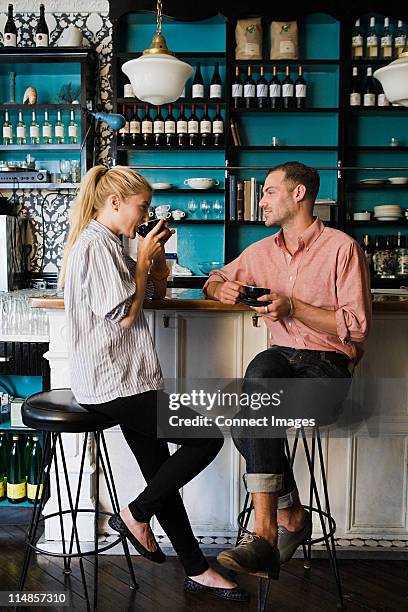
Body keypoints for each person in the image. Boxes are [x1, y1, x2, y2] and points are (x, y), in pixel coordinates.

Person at [58, 165, 248, 602]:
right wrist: (142, 261)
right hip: (116, 385)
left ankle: (197, 568)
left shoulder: (113, 243)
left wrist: (155, 263)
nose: (145, 214)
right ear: (115, 203)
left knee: (160, 474)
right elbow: (124, 315)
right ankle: (135, 514)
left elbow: (152, 297)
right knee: (206, 439)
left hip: (129, 380)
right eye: (141, 206)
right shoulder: (94, 246)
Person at [204, 161, 372, 579]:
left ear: (299, 194)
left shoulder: (341, 248)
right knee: (259, 375)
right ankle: (278, 521)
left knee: (247, 417)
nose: (260, 200)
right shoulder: (261, 251)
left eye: (269, 191)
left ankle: (277, 525)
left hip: (327, 365)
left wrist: (295, 308)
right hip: (279, 359)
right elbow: (214, 278)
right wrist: (218, 286)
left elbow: (357, 325)